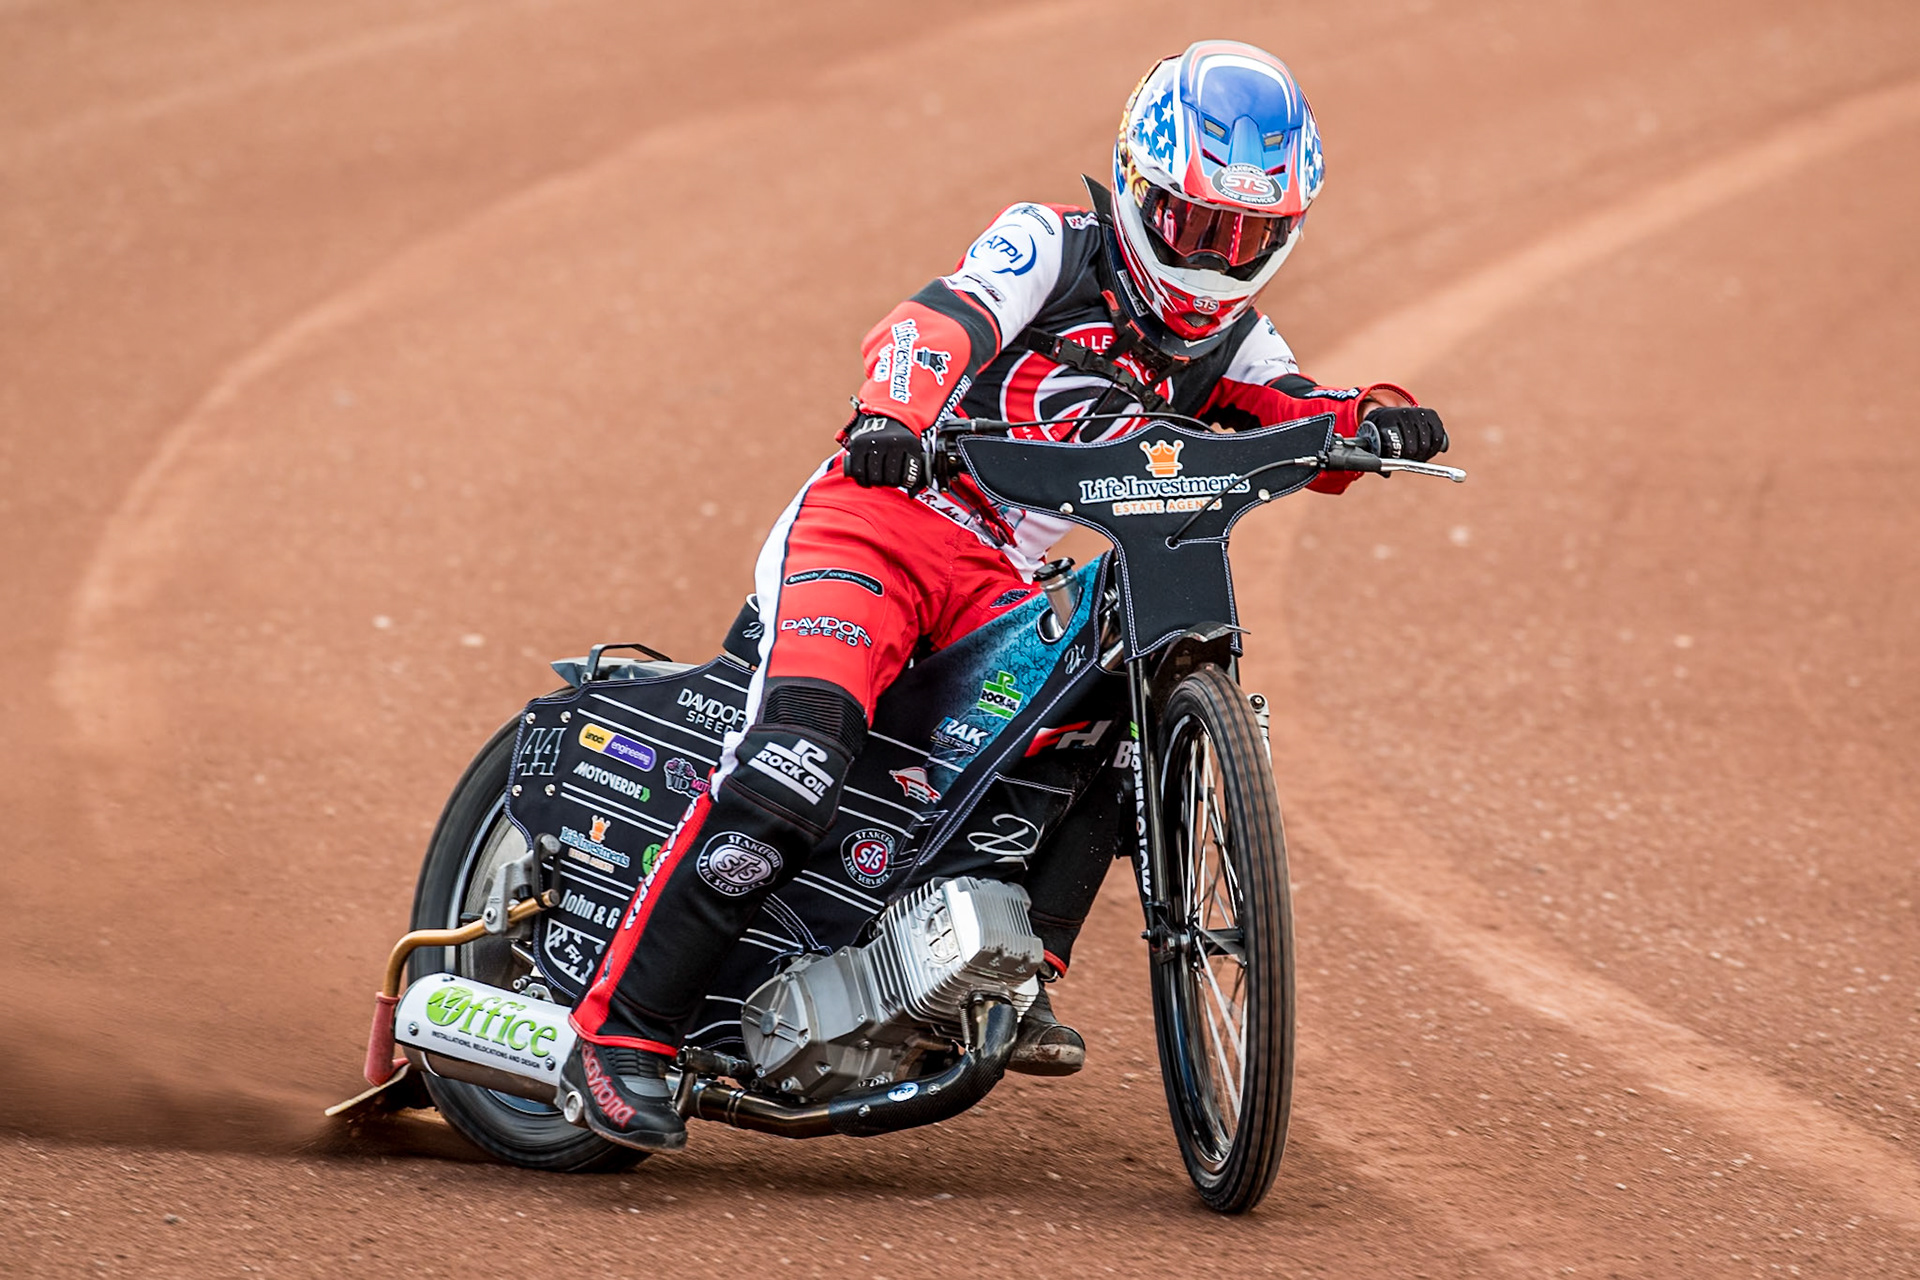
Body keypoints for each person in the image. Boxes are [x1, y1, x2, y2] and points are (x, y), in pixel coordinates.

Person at [558, 38, 1449, 1151]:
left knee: (1111, 711)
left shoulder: (1231, 338)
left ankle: (1016, 972)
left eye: (1250, 236)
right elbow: (941, 320)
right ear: (1138, 185)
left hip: (995, 581)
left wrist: (1378, 418)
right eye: (1195, 225)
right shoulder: (1050, 242)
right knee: (796, 760)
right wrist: (892, 411)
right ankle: (619, 1032)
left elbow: (1301, 410)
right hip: (875, 527)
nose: (1219, 259)